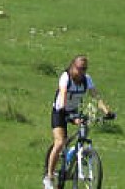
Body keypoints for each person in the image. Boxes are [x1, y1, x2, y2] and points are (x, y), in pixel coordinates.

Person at [43, 54, 112, 189]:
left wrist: (106, 111)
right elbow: (62, 93)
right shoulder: (66, 77)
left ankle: (75, 155)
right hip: (60, 111)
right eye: (79, 68)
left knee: (84, 132)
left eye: (84, 69)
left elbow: (96, 96)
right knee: (60, 142)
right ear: (73, 67)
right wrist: (63, 109)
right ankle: (49, 177)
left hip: (74, 111)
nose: (82, 72)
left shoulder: (87, 80)